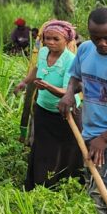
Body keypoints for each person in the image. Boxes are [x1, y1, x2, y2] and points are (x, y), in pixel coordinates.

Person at [58, 7, 107, 214]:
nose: (101, 43)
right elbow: (76, 77)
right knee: (97, 190)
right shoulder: (85, 50)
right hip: (91, 134)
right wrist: (70, 94)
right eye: (95, 37)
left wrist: (104, 138)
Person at [15, 20, 81, 190]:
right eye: (47, 38)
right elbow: (37, 70)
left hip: (66, 112)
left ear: (67, 40)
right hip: (43, 108)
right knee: (43, 148)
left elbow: (68, 92)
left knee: (67, 149)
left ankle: (67, 185)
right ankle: (39, 184)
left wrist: (48, 87)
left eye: (56, 39)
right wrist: (24, 82)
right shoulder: (44, 52)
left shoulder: (71, 60)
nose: (50, 42)